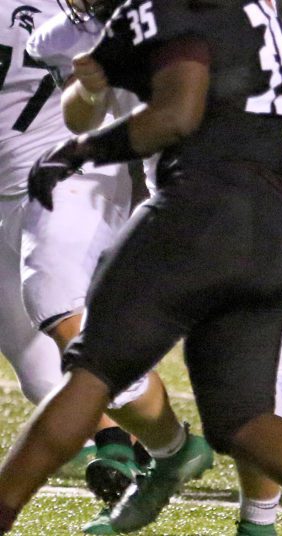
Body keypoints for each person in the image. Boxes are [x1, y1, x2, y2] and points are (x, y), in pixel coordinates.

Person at [0, 0, 282, 535]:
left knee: (91, 373)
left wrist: (80, 152)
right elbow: (91, 96)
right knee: (244, 418)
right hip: (272, 215)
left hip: (203, 202)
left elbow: (177, 113)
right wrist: (93, 81)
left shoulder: (175, 8)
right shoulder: (134, 19)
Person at [0, 0, 158, 509]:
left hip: (71, 168)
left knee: (55, 293)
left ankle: (166, 444)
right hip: (4, 191)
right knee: (41, 373)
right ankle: (129, 439)